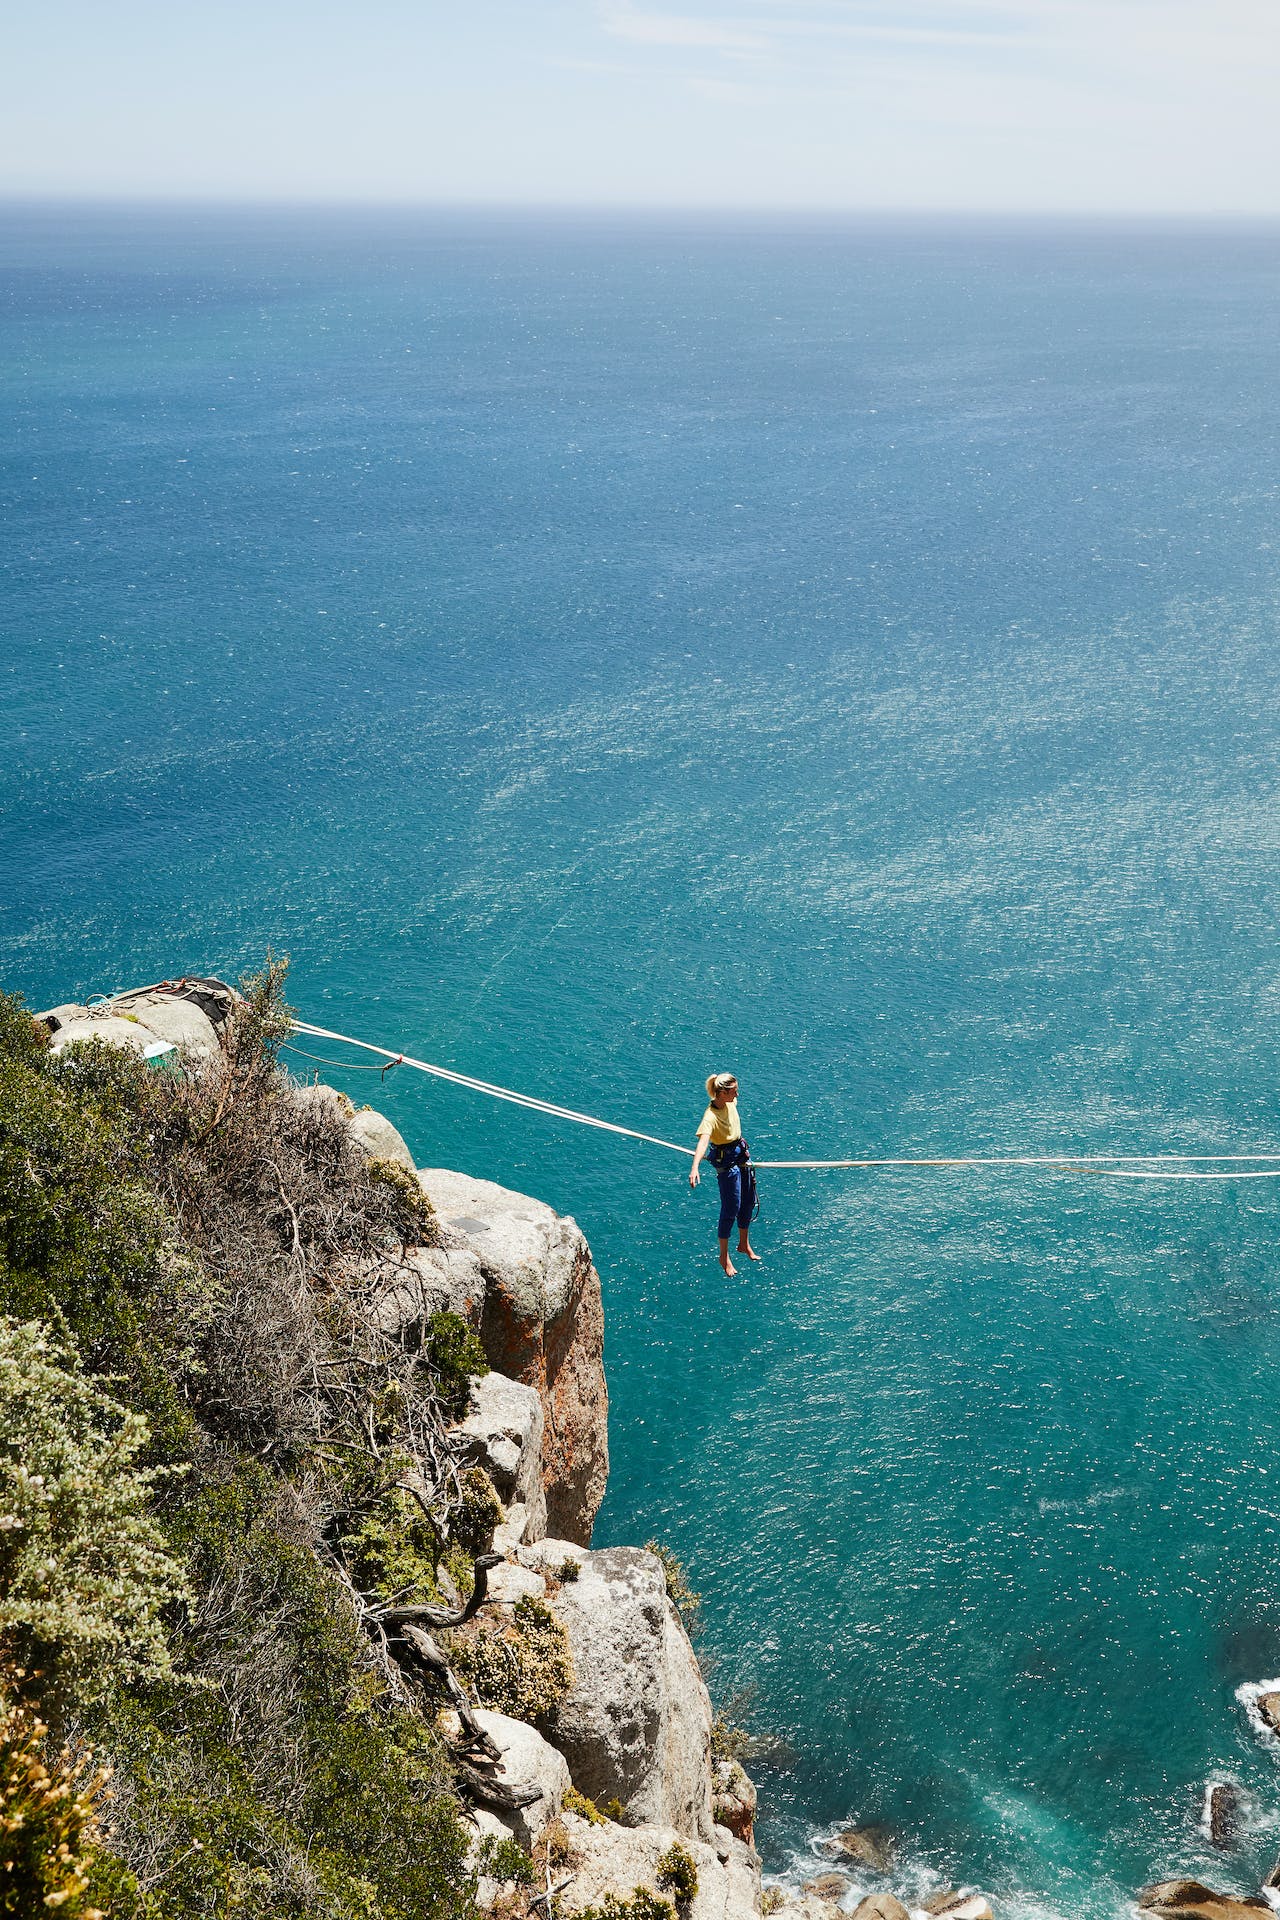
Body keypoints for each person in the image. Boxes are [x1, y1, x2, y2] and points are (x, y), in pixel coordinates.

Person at [689, 1072, 761, 1275]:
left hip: (740, 1154)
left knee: (748, 1201)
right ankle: (724, 1256)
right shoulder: (710, 1117)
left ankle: (744, 1244)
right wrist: (695, 1167)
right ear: (722, 1093)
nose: (737, 1095)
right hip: (726, 1160)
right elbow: (703, 1142)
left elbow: (730, 1097)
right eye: (734, 1091)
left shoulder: (730, 1102)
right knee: (731, 1207)